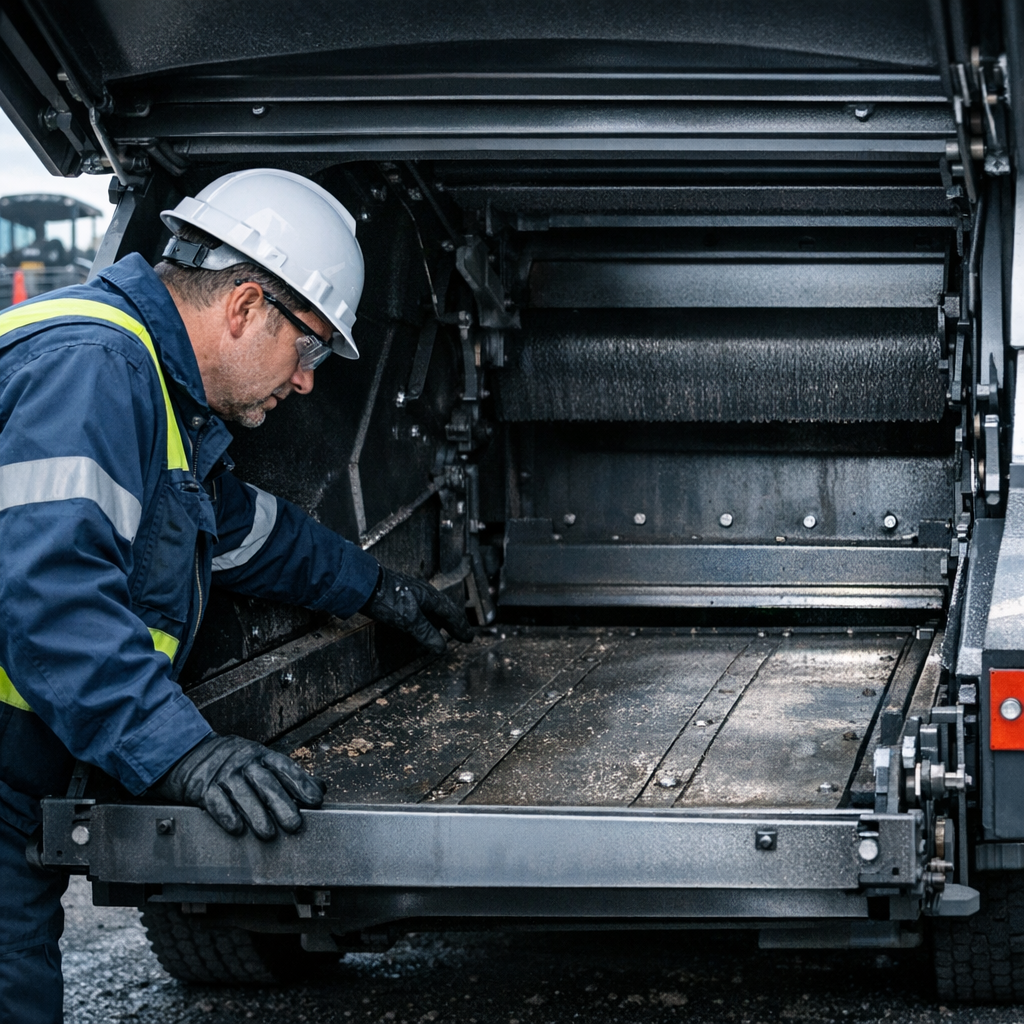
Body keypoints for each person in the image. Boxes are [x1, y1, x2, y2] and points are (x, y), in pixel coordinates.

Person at [0, 168, 472, 1023]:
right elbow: (52, 604)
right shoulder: (93, 370)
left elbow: (241, 531)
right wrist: (186, 752)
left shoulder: (148, 388)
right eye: (311, 348)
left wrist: (376, 586)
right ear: (247, 306)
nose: (305, 383)